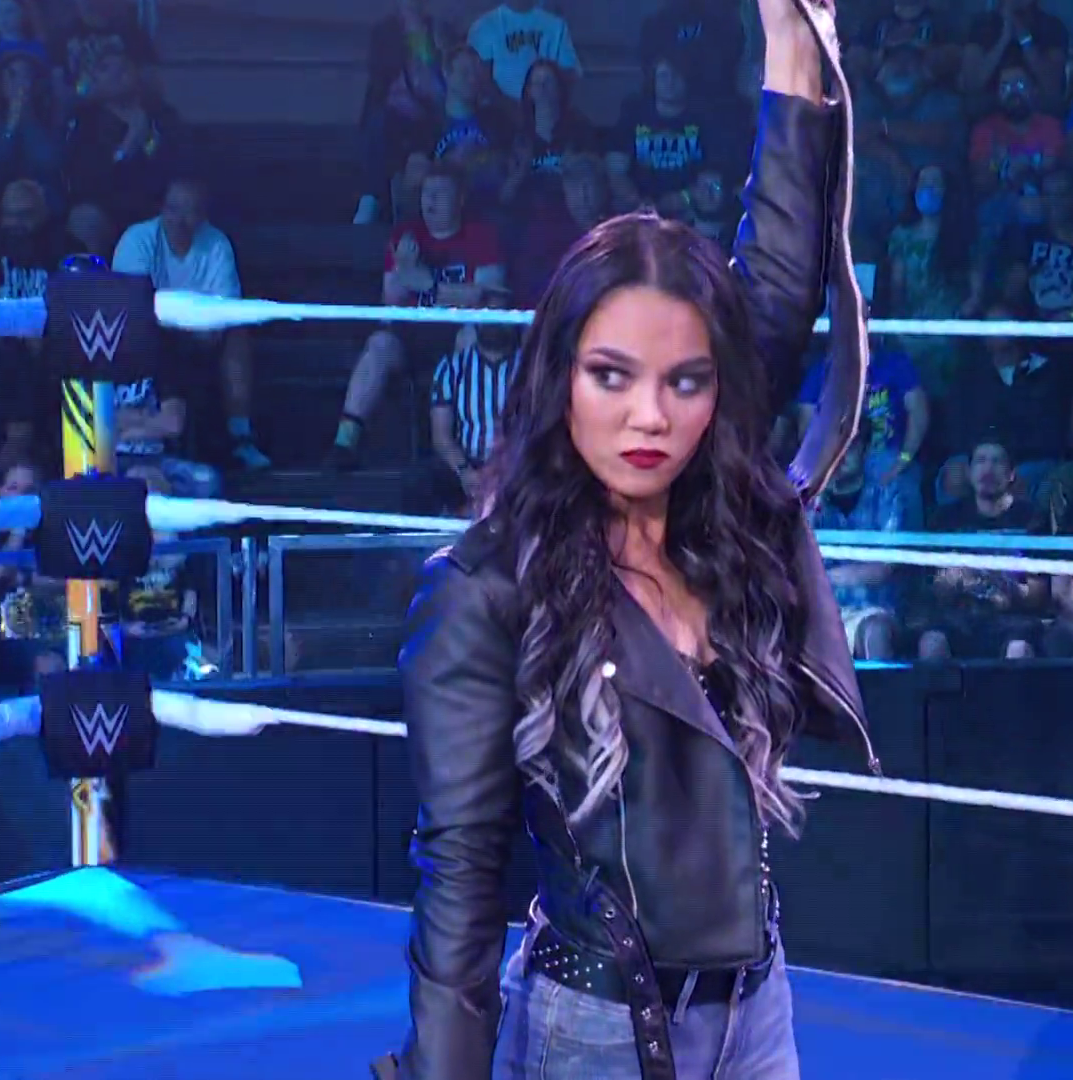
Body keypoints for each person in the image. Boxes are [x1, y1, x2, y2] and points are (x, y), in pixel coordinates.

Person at [377, 0, 875, 1077]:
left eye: (684, 382)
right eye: (613, 376)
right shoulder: (483, 586)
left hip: (759, 1012)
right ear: (560, 378)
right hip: (594, 1031)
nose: (651, 416)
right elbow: (460, 881)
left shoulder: (715, 519)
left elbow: (777, 292)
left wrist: (790, 46)